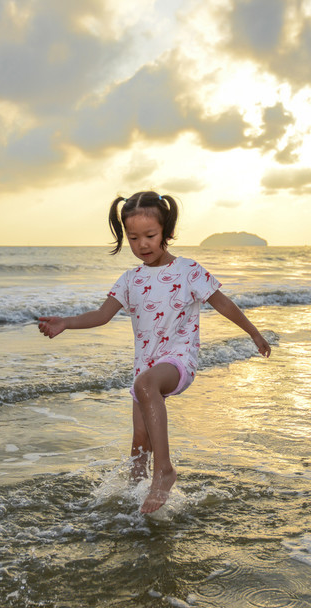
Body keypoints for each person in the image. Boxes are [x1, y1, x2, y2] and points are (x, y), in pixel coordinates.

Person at [38, 191, 271, 514]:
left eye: (150, 236)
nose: (142, 245)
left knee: (145, 386)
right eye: (133, 238)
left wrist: (254, 333)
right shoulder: (129, 279)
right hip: (144, 369)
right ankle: (134, 502)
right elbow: (102, 315)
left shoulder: (188, 270)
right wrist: (66, 322)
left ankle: (165, 472)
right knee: (139, 440)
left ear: (167, 232)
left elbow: (222, 303)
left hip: (178, 360)